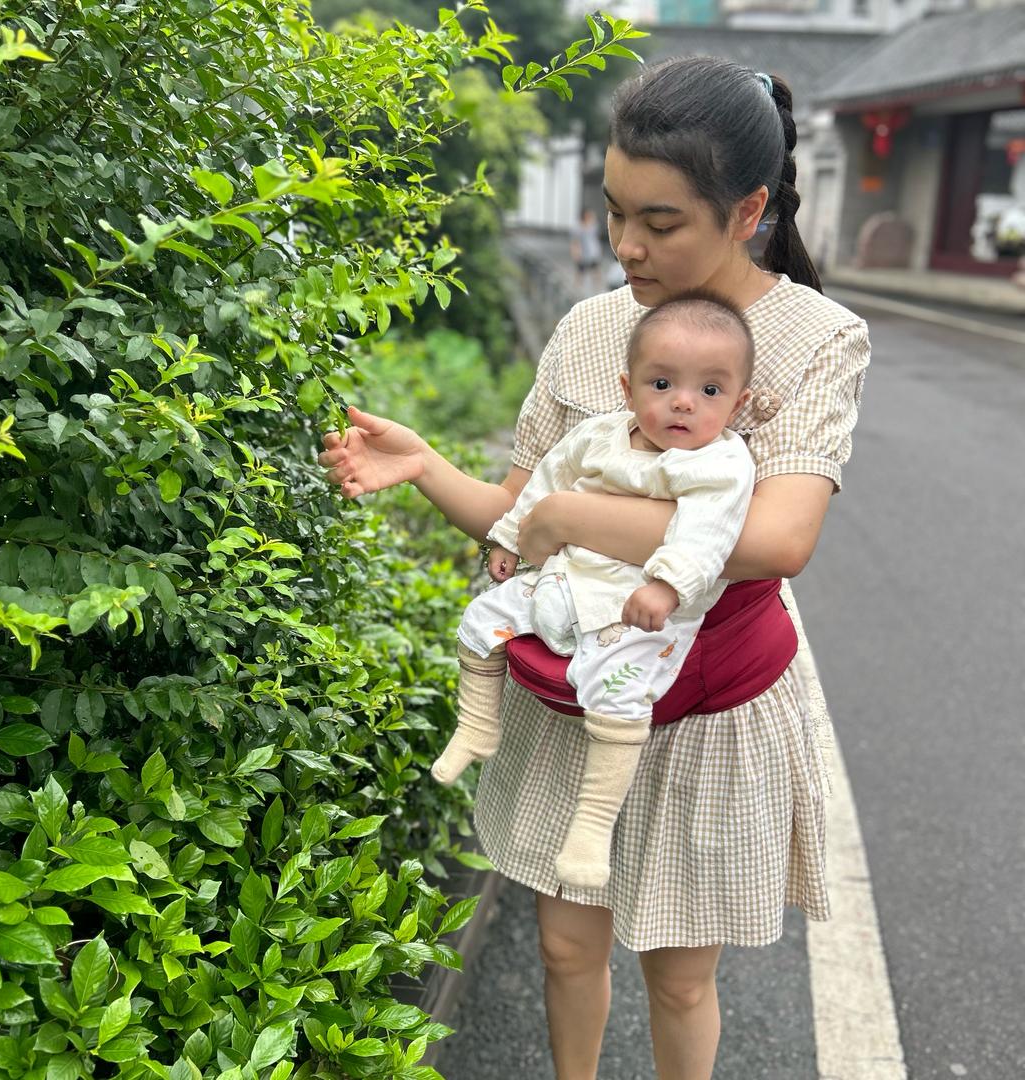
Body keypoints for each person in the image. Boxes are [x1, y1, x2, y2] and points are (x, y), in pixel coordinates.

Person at [320, 55, 870, 1080]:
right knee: (565, 944)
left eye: (662, 224)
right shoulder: (588, 332)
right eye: (615, 211)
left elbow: (780, 538)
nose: (626, 247)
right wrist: (427, 467)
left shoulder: (815, 339)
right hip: (576, 683)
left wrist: (575, 513)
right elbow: (513, 514)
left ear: (749, 209)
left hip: (711, 702)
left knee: (678, 970)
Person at [433, 294, 756, 897]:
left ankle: (592, 823)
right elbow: (544, 485)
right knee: (482, 619)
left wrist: (667, 584)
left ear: (738, 404)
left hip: (634, 607)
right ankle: (477, 725)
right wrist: (508, 538)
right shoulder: (599, 436)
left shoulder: (719, 462)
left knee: (617, 692)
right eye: (663, 383)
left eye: (710, 391)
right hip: (562, 579)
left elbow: (709, 529)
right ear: (628, 388)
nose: (684, 401)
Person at [571, 206, 605, 296]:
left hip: (593, 252)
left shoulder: (593, 225)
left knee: (596, 270)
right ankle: (575, 290)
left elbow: (596, 237)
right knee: (580, 271)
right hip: (583, 253)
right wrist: (575, 253)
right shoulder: (578, 227)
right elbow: (575, 242)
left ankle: (598, 289)